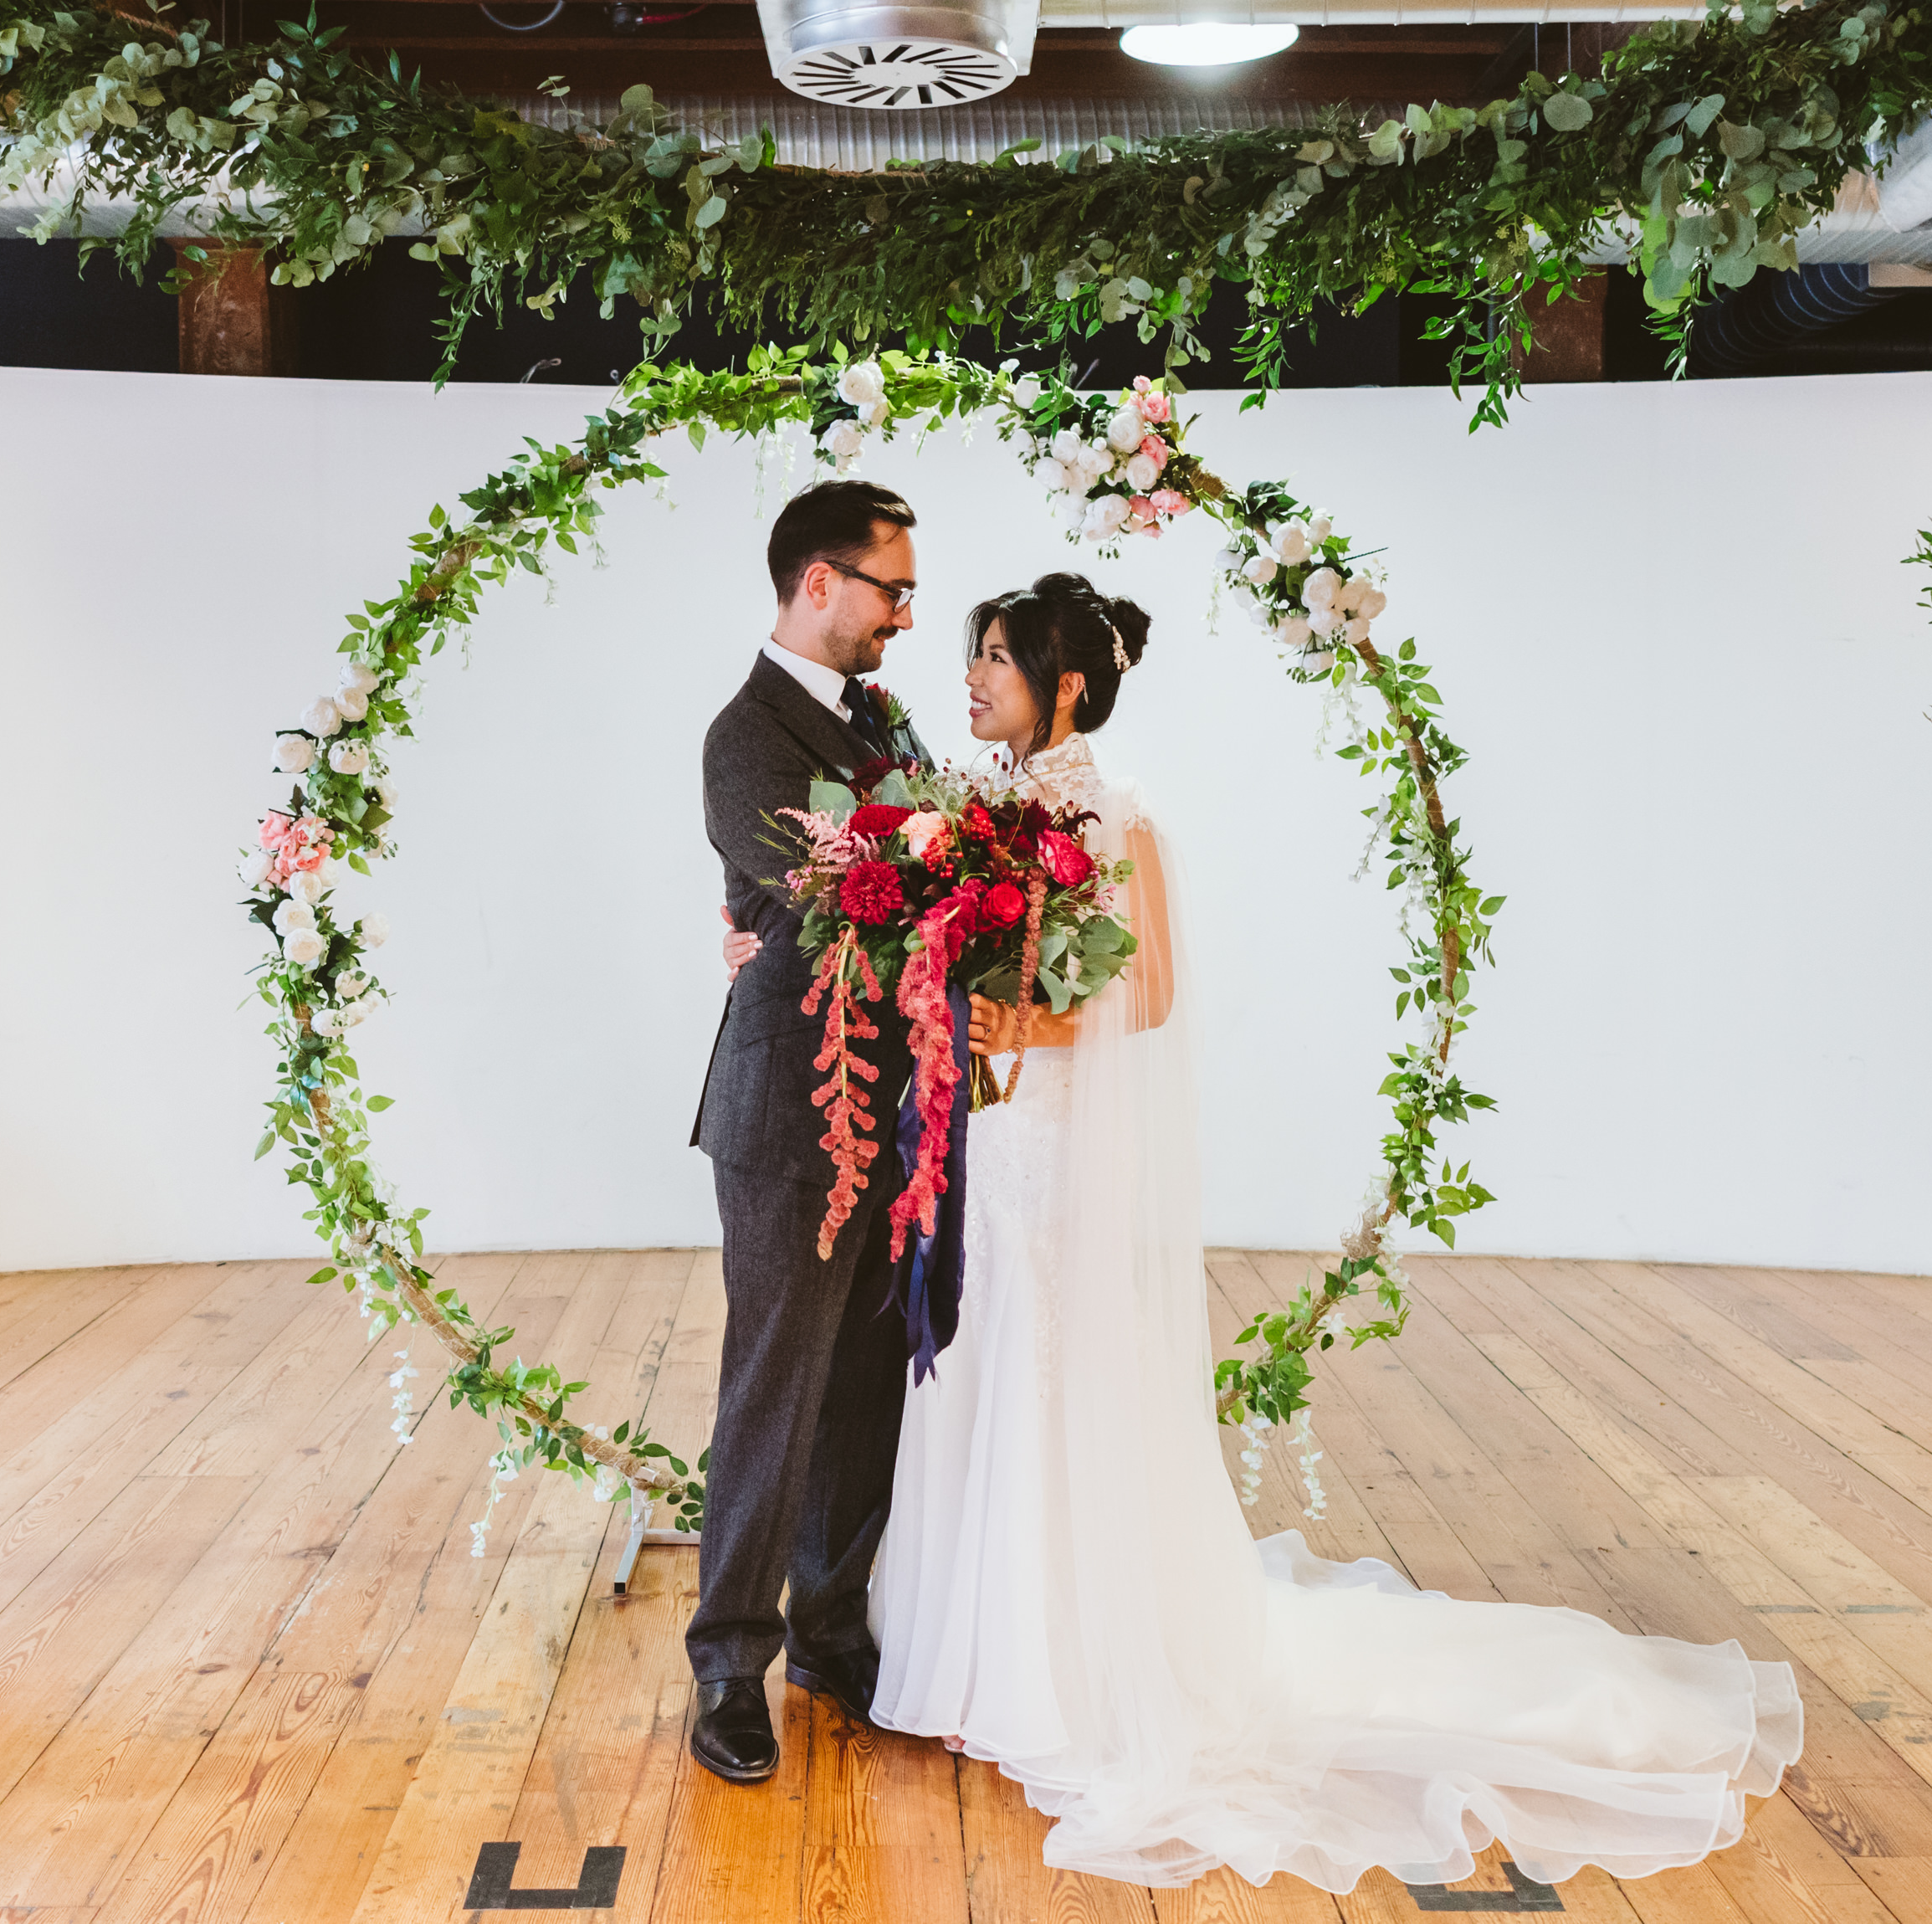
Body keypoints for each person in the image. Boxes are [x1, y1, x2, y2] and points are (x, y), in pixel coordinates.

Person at [725, 571, 1803, 1893]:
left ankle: (1059, 1668)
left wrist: (1029, 1028)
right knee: (971, 1363)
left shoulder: (1117, 818)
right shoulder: (970, 809)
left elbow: (1155, 994)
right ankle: (959, 1651)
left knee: (1054, 1375)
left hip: (1054, 1137)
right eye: (974, 656)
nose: (975, 679)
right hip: (982, 1142)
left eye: (997, 659)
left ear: (1065, 684)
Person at [685, 477, 935, 1787]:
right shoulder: (747, 736)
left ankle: (832, 1631)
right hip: (792, 1104)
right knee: (776, 1384)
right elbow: (850, 896)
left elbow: (933, 871)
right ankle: (730, 1662)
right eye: (891, 588)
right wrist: (935, 865)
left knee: (866, 1385)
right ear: (817, 581)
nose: (905, 612)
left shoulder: (881, 719)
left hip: (898, 1099)